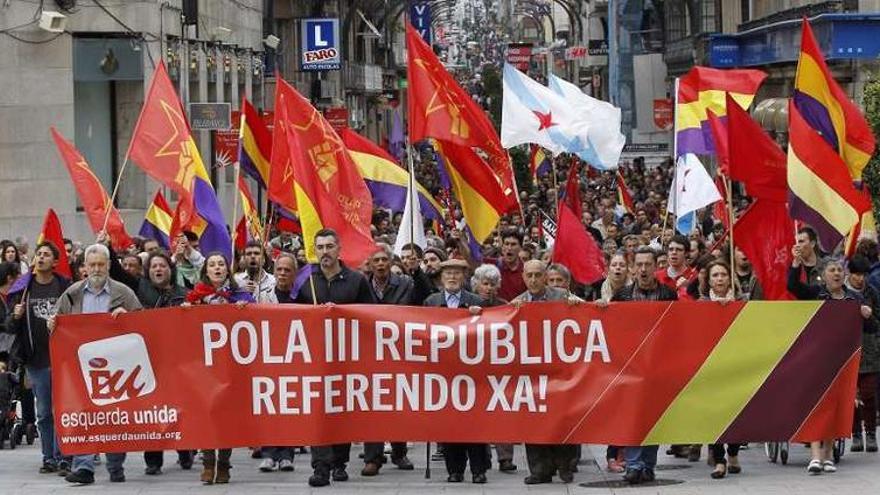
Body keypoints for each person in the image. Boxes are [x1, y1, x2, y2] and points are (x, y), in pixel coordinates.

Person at [48, 243, 142, 484]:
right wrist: (52, 326)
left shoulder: (124, 293)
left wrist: (128, 318)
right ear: (85, 268)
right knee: (83, 414)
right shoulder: (72, 294)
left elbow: (143, 325)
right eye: (93, 265)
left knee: (113, 418)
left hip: (116, 368)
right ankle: (84, 467)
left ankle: (115, 466)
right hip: (81, 366)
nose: (97, 269)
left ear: (109, 266)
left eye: (101, 264)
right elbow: (57, 324)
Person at [294, 229, 376, 487]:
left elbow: (371, 314)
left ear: (339, 249)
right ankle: (320, 467)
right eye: (320, 247)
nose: (325, 251)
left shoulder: (356, 280)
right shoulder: (305, 280)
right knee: (318, 411)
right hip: (315, 358)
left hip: (347, 357)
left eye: (330, 246)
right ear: (315, 250)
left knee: (341, 411)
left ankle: (339, 462)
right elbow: (288, 312)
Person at [788, 256, 870, 474]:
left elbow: (871, 328)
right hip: (816, 359)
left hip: (843, 361)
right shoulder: (816, 294)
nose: (836, 273)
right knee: (817, 406)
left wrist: (866, 315)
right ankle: (815, 456)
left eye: (839, 270)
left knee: (836, 407)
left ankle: (827, 455)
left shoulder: (855, 298)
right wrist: (796, 264)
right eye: (832, 270)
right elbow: (793, 287)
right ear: (823, 275)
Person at [607, 246, 677, 485]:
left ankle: (648, 465)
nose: (644, 269)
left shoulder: (668, 294)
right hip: (631, 366)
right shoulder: (622, 296)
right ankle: (634, 464)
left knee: (654, 417)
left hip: (659, 366)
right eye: (639, 265)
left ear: (656, 266)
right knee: (632, 416)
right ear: (632, 267)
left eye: (648, 264)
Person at [184, 252, 254, 484]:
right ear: (206, 270)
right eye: (212, 264)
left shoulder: (239, 294)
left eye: (221, 264)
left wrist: (246, 307)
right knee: (206, 415)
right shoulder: (197, 296)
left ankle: (224, 464)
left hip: (232, 366)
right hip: (204, 367)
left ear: (227, 269)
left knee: (227, 417)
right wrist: (185, 311)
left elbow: (256, 321)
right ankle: (207, 463)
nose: (217, 268)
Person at [3, 241, 71, 475]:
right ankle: (48, 457)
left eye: (46, 255)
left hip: (62, 359)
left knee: (61, 408)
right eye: (38, 253)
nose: (40, 257)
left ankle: (64, 455)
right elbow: (10, 327)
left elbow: (76, 315)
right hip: (36, 359)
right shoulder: (25, 288)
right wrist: (16, 314)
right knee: (43, 412)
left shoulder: (64, 286)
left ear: (55, 262)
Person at [512, 260, 580, 484]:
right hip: (530, 372)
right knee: (534, 421)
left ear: (545, 276)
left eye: (538, 275)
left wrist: (588, 305)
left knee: (562, 419)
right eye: (529, 275)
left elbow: (586, 315)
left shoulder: (562, 297)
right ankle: (539, 469)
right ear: (523, 277)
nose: (533, 280)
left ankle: (565, 465)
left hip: (559, 370)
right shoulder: (516, 304)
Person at [424, 258, 488, 484]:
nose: (452, 277)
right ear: (441, 278)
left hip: (472, 372)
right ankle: (455, 469)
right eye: (448, 273)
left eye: (457, 273)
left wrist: (479, 316)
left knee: (475, 423)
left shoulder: (477, 301)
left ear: (464, 277)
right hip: (444, 373)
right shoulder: (431, 302)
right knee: (450, 423)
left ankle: (479, 469)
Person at [135, 252, 193, 474]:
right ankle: (153, 460)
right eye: (153, 266)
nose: (158, 269)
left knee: (180, 408)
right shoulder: (141, 292)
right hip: (149, 360)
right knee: (152, 411)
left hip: (178, 360)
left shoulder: (183, 294)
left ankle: (185, 450)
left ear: (171, 269)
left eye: (162, 265)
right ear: (148, 272)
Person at [362, 244, 415, 476]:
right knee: (372, 405)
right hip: (369, 352)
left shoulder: (405, 284)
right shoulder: (361, 285)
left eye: (385, 260)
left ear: (391, 262)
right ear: (370, 265)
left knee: (397, 402)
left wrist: (416, 272)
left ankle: (399, 452)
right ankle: (373, 457)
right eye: (377, 261)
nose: (381, 264)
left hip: (398, 351)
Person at [700, 261, 745, 479]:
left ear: (729, 278)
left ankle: (734, 452)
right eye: (715, 275)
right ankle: (719, 460)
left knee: (736, 413)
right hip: (710, 367)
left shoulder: (742, 301)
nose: (719, 279)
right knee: (714, 415)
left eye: (723, 275)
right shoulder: (701, 304)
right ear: (708, 280)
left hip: (737, 364)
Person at [470, 263, 516, 472]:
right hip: (472, 368)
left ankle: (505, 457)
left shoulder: (504, 305)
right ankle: (484, 457)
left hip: (499, 366)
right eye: (485, 284)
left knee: (501, 412)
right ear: (476, 285)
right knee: (478, 413)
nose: (488, 288)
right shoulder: (467, 305)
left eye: (492, 284)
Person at [259, 252, 298, 472]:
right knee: (268, 406)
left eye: (287, 270)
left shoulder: (301, 296)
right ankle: (268, 453)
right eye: (279, 270)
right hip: (268, 357)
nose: (282, 274)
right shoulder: (262, 295)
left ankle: (286, 455)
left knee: (289, 408)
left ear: (294, 274)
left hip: (293, 358)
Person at [843, 255, 880, 453]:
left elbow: (877, 322)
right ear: (850, 273)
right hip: (848, 350)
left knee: (869, 393)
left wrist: (869, 316)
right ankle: (855, 434)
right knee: (851, 394)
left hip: (870, 349)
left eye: (864, 274)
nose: (861, 279)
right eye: (857, 274)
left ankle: (871, 433)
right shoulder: (843, 293)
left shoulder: (872, 292)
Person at [487, 229, 527, 301]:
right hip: (497, 311)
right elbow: (472, 261)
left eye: (513, 244)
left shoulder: (527, 270)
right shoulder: (492, 265)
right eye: (506, 244)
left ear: (520, 248)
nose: (509, 248)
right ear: (502, 247)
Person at [656, 235, 694, 300]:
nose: (674, 252)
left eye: (679, 250)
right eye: (671, 249)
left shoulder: (694, 276)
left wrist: (689, 288)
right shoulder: (656, 276)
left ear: (687, 253)